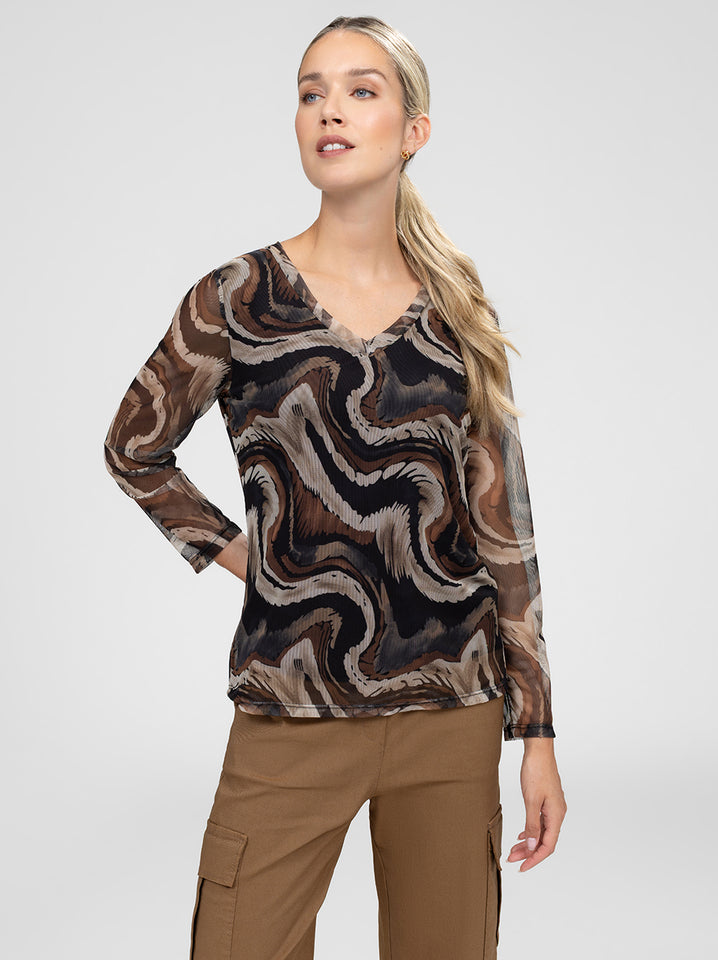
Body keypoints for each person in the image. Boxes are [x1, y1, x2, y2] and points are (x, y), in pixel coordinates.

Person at [103, 14, 567, 960]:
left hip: (452, 710)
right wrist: (250, 558)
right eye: (311, 92)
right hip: (292, 704)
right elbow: (133, 448)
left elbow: (503, 527)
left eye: (361, 90)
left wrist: (538, 734)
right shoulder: (237, 298)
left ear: (414, 130)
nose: (330, 110)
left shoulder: (458, 310)